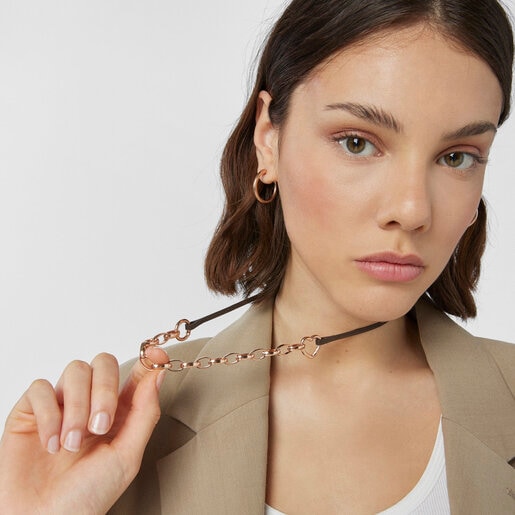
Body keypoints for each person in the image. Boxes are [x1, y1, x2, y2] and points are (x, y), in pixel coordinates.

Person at [1, 0, 514, 513]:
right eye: (358, 143)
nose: (412, 209)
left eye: (457, 157)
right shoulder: (122, 428)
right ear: (269, 138)